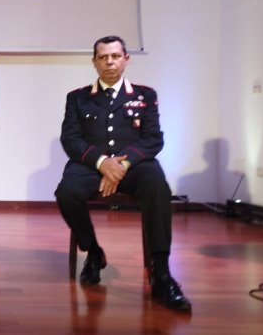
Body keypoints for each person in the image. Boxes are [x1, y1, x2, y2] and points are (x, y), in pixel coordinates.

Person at [55, 35, 192, 312]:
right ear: (94, 62)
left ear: (126, 59)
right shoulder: (78, 98)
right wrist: (103, 162)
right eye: (103, 57)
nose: (110, 62)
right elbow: (70, 140)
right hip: (90, 165)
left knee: (158, 188)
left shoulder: (145, 95)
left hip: (135, 166)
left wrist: (121, 165)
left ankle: (161, 273)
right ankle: (93, 252)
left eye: (115, 56)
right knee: (66, 193)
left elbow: (153, 139)